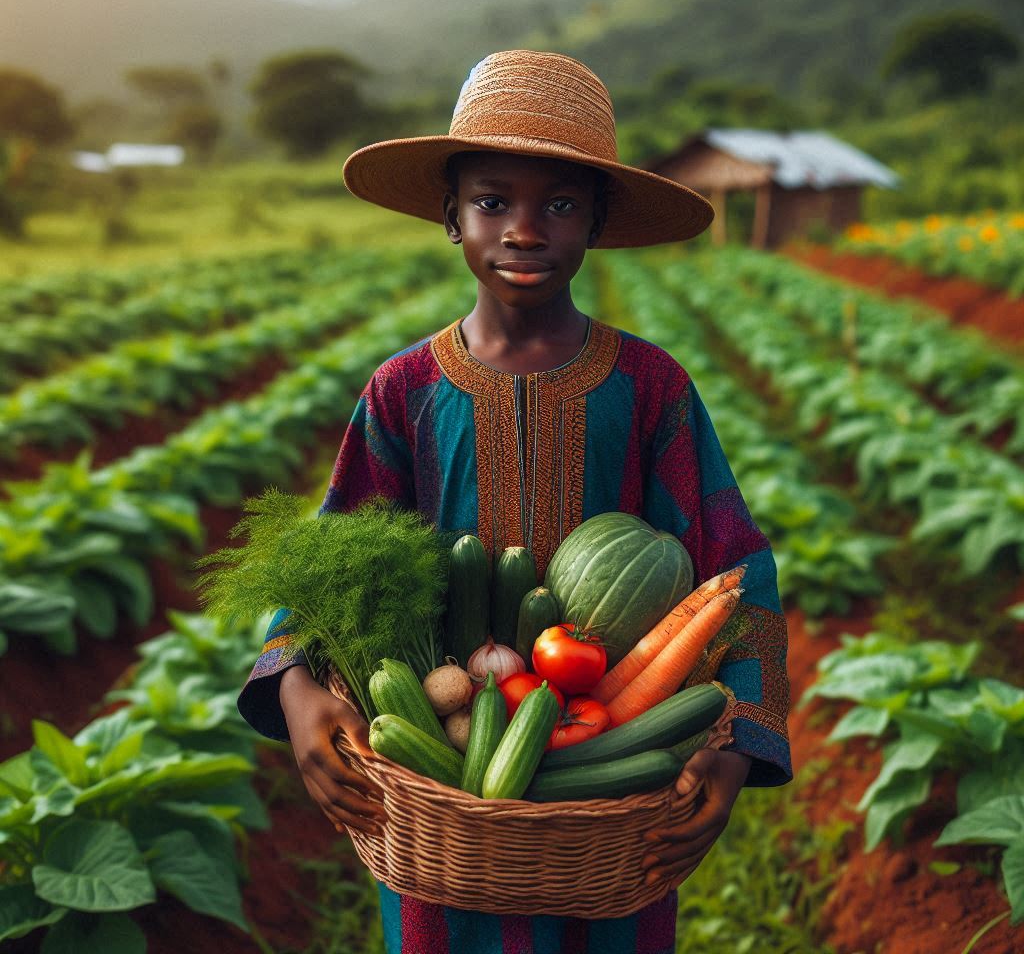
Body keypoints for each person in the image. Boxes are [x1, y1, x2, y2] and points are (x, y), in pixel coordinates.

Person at [237, 49, 792, 953]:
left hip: (612, 777)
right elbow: (329, 555)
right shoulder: (404, 390)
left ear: (598, 222)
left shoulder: (651, 387)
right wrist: (297, 691)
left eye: (560, 204)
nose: (524, 229)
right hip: (441, 770)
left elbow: (733, 559)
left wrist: (737, 741)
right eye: (493, 201)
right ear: (451, 218)